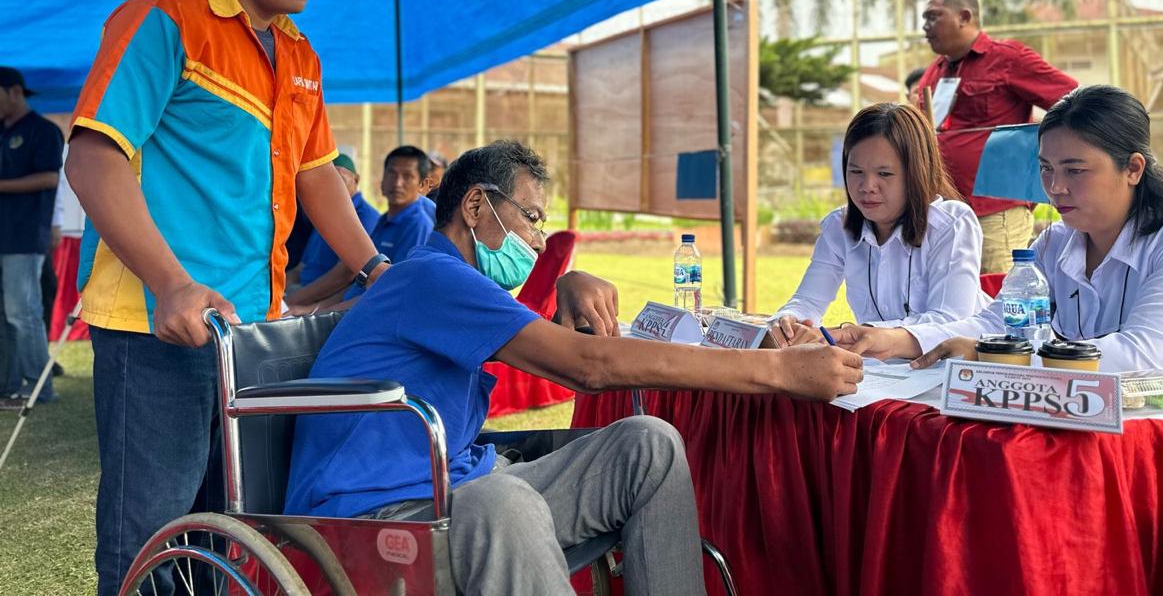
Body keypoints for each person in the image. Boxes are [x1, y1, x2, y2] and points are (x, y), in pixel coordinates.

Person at [286, 140, 863, 596]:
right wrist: (780, 372)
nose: (537, 242)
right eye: (531, 218)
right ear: (476, 204)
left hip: (457, 485)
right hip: (376, 512)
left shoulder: (455, 285)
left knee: (649, 444)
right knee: (502, 504)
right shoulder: (431, 276)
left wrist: (567, 281)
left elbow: (547, 338)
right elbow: (589, 365)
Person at [64, 0, 400, 596]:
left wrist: (375, 268)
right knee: (151, 530)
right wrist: (169, 283)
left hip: (255, 327)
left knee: (237, 521)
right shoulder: (164, 20)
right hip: (160, 322)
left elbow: (318, 177)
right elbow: (93, 158)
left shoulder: (301, 56)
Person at [835, 85, 1163, 448]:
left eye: (1075, 170)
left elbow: (1151, 356)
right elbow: (997, 319)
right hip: (1130, 431)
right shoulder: (1055, 243)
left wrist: (1000, 360)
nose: (1056, 187)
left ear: (1133, 168)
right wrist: (898, 339)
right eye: (1047, 169)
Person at [773, 103, 985, 344]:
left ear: (917, 172)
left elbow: (951, 320)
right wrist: (789, 319)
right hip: (880, 370)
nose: (867, 186)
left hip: (950, 367)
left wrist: (861, 333)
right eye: (855, 171)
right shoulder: (839, 227)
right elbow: (808, 301)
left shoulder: (951, 224)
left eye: (884, 174)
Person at [914, 0, 1077, 272]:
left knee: (998, 292)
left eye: (933, 17)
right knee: (955, 293)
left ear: (964, 16)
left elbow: (1074, 100)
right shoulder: (933, 73)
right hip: (947, 208)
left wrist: (1043, 150)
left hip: (997, 206)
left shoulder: (1008, 58)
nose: (925, 26)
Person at [286, 145, 437, 308]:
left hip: (363, 313)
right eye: (392, 174)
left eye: (407, 176)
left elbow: (385, 289)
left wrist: (312, 310)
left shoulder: (415, 225)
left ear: (422, 185)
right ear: (382, 180)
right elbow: (359, 281)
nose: (397, 183)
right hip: (338, 303)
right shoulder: (384, 220)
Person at [0, 67, 63, 408]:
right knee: (5, 314)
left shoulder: (43, 131)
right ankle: (8, 384)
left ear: (14, 92)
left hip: (24, 235)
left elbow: (50, 178)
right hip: (3, 235)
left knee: (22, 311)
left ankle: (39, 385)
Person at [289, 153, 379, 288]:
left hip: (317, 300)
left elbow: (343, 277)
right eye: (328, 183)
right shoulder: (324, 212)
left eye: (340, 180)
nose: (334, 188)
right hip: (301, 289)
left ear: (356, 180)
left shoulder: (366, 217)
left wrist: (294, 303)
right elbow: (301, 267)